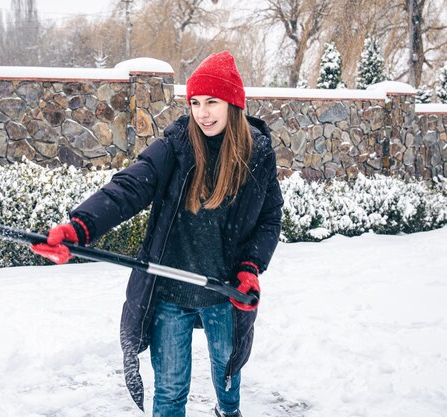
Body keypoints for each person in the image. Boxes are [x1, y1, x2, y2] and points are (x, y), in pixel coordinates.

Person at [31, 51, 283, 417]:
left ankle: (227, 411)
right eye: (196, 102)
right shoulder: (176, 145)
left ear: (233, 104)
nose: (203, 112)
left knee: (228, 381)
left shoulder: (256, 154)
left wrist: (250, 267)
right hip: (169, 291)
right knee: (169, 394)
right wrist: (80, 227)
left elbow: (269, 218)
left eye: (212, 102)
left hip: (225, 291)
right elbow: (129, 187)